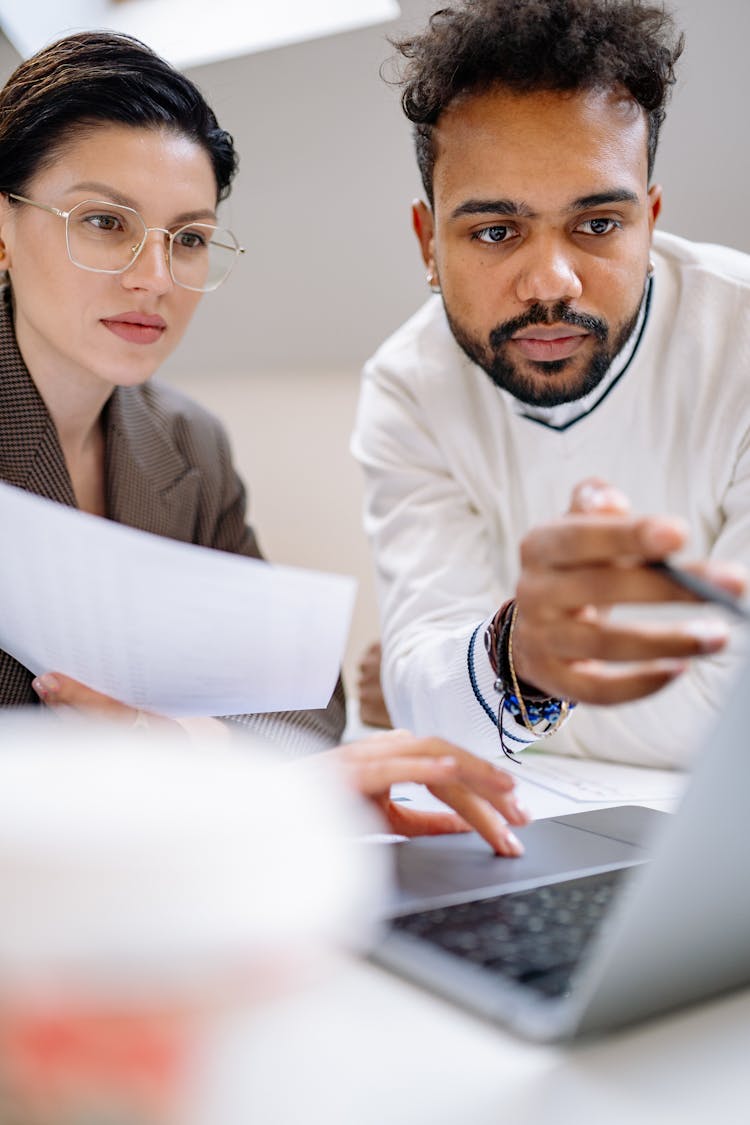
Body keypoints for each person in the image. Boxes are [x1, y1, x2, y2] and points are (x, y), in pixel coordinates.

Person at [0, 30, 529, 856]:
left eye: (190, 236)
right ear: (4, 228)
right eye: (106, 223)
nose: (156, 277)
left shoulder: (188, 446)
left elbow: (304, 706)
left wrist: (171, 746)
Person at [352, 0, 750, 769]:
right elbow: (419, 688)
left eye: (598, 224)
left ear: (650, 221)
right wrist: (514, 652)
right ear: (428, 243)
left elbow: (739, 715)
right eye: (496, 232)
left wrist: (482, 692)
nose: (551, 283)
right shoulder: (407, 388)